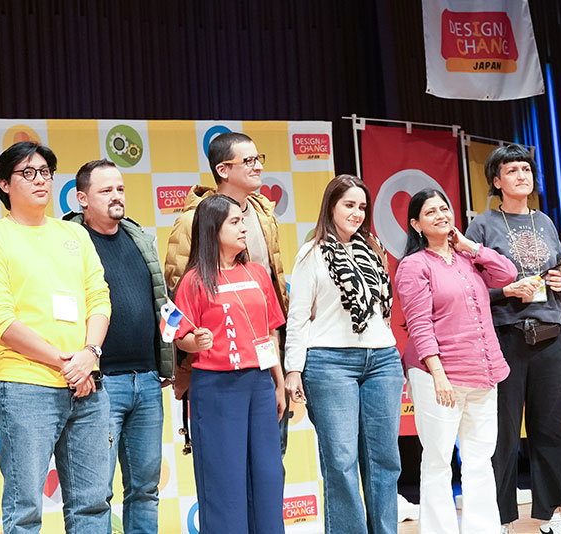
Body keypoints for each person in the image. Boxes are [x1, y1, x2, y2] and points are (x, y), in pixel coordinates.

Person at [0, 141, 111, 533]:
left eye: (45, 172)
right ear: (4, 184)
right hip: (27, 388)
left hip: (87, 384)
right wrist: (68, 363)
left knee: (92, 504)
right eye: (27, 173)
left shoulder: (75, 235)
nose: (40, 181)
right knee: (25, 507)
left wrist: (89, 354)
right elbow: (1, 322)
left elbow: (99, 297)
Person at [465, 144, 561, 534]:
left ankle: (550, 514)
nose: (521, 176)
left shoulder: (545, 221)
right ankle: (501, 518)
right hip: (506, 337)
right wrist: (506, 292)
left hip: (550, 335)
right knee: (502, 430)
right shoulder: (481, 226)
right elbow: (469, 288)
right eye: (511, 170)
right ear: (496, 181)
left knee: (553, 427)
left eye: (526, 169)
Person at [284, 174, 403, 534]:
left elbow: (383, 310)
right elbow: (297, 316)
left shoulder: (374, 249)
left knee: (385, 460)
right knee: (341, 462)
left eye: (362, 206)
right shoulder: (311, 253)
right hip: (329, 363)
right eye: (348, 205)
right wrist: (293, 369)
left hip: (382, 360)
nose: (356, 213)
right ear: (331, 207)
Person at [396, 188, 516, 533]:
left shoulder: (467, 259)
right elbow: (419, 324)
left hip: (483, 371)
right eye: (430, 212)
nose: (441, 215)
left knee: (480, 459)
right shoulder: (414, 265)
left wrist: (471, 246)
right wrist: (438, 374)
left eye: (444, 208)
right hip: (439, 375)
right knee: (437, 459)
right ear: (416, 224)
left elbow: (507, 274)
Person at [163, 131, 290, 453]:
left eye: (259, 159)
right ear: (223, 170)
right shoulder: (193, 220)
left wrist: (279, 368)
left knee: (270, 455)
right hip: (216, 367)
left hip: (264, 357)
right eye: (248, 160)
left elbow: (273, 285)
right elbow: (179, 300)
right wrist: (185, 366)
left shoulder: (263, 214)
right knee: (226, 458)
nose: (258, 166)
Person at [64, 159, 171, 534]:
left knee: (145, 491)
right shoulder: (69, 243)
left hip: (148, 380)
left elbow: (160, 302)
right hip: (100, 383)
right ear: (82, 199)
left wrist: (168, 362)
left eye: (120, 189)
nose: (116, 196)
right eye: (106, 190)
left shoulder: (139, 237)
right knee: (94, 494)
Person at [173, 194, 286, 534]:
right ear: (213, 229)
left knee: (268, 475)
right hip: (216, 388)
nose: (243, 228)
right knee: (224, 480)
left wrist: (279, 383)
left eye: (243, 221)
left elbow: (270, 332)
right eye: (234, 222)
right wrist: (195, 342)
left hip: (260, 385)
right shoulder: (194, 280)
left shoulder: (258, 273)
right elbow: (179, 336)